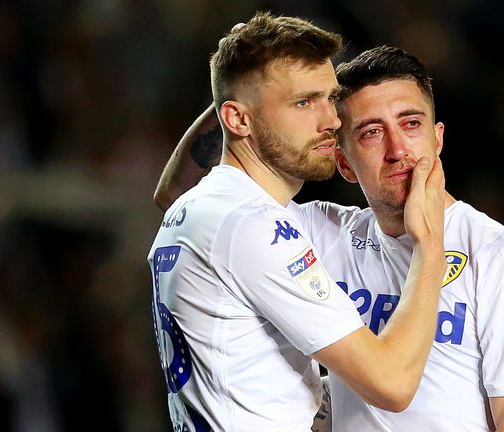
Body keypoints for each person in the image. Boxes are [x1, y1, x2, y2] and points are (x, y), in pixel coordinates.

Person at [155, 45, 504, 431]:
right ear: (342, 161)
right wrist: (248, 82)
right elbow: (185, 196)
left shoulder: (501, 254)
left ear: (438, 138)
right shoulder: (318, 233)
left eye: (411, 124)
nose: (398, 149)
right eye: (371, 133)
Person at [147, 14, 447, 432]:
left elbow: (171, 191)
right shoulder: (254, 226)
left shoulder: (204, 208)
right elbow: (392, 383)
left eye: (330, 98)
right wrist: (430, 246)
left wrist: (243, 73)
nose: (332, 121)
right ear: (237, 120)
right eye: (304, 102)